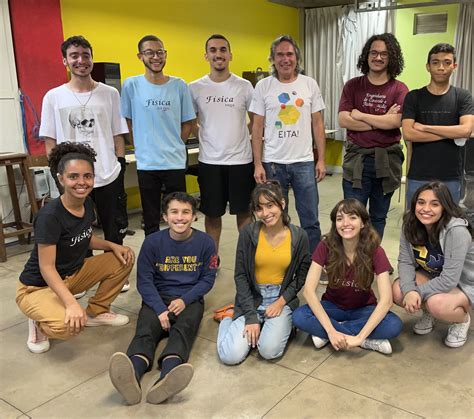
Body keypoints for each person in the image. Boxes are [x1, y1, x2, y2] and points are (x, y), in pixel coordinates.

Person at [16, 142, 135, 354]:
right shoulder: (49, 216)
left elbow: (83, 238)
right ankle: (38, 321)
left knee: (123, 257)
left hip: (71, 277)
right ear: (61, 179)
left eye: (87, 176)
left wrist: (112, 245)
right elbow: (46, 267)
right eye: (73, 176)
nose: (82, 182)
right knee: (68, 327)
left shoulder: (87, 203)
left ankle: (96, 312)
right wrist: (71, 304)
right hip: (37, 287)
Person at [109, 192, 218, 405]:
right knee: (145, 332)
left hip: (189, 299)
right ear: (165, 217)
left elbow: (207, 280)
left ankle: (167, 377)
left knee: (183, 331)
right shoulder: (152, 243)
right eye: (174, 212)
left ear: (195, 216)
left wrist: (185, 300)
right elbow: (145, 281)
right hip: (157, 298)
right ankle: (132, 376)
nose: (180, 217)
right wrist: (159, 309)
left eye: (186, 212)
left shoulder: (206, 243)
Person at [39, 35, 129, 255]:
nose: (81, 60)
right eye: (74, 56)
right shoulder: (54, 97)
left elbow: (118, 134)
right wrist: (56, 171)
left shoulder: (110, 93)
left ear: (92, 58)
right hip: (72, 176)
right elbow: (50, 139)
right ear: (65, 61)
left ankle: (114, 271)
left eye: (85, 55)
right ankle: (82, 271)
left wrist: (120, 163)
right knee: (76, 228)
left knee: (114, 226)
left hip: (108, 172)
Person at [293, 199, 402, 355]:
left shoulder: (375, 250)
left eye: (352, 217)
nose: (345, 223)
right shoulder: (325, 246)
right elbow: (308, 292)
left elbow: (386, 300)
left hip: (364, 308)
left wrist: (359, 338)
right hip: (333, 306)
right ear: (334, 224)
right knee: (299, 316)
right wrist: (331, 331)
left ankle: (338, 335)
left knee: (393, 324)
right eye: (339, 218)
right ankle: (359, 338)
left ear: (363, 223)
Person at [217, 182, 311, 365]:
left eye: (270, 205)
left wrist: (281, 301)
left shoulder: (299, 236)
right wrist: (251, 317)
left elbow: (301, 275)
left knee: (269, 351)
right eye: (259, 208)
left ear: (282, 204)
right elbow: (241, 276)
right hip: (252, 297)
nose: (265, 213)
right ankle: (228, 321)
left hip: (280, 298)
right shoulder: (248, 233)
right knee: (230, 356)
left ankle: (279, 325)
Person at [250, 34, 326, 253]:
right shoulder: (264, 86)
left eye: (290, 54)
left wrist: (321, 159)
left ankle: (313, 263)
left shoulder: (309, 84)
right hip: (273, 163)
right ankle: (281, 259)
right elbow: (256, 127)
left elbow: (318, 125)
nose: (285, 59)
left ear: (297, 58)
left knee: (310, 218)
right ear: (273, 58)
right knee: (275, 218)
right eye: (280, 54)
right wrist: (257, 163)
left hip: (303, 163)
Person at [121, 35, 196, 236]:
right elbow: (126, 120)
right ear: (140, 56)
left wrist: (175, 142)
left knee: (178, 215)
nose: (156, 57)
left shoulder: (179, 85)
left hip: (175, 162)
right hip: (147, 163)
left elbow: (188, 121)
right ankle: (154, 256)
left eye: (160, 52)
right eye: (149, 52)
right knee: (151, 217)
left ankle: (179, 252)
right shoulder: (131, 85)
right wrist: (138, 144)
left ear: (165, 55)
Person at [189, 34, 254, 265]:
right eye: (213, 50)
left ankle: (246, 260)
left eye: (223, 49)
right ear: (206, 55)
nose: (219, 54)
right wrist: (205, 136)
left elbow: (255, 120)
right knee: (213, 214)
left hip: (241, 161)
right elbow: (190, 122)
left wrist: (242, 135)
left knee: (244, 214)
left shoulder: (244, 86)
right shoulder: (195, 87)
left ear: (230, 55)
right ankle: (212, 260)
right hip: (210, 162)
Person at [339, 33, 408, 240]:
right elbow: (344, 120)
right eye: (374, 53)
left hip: (387, 161)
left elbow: (396, 122)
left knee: (378, 217)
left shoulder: (399, 89)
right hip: (357, 161)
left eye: (384, 54)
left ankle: (371, 260)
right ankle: (351, 263)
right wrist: (381, 120)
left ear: (391, 57)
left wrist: (360, 115)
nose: (378, 58)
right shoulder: (353, 85)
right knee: (351, 216)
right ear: (367, 56)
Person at [393, 181, 473, 348]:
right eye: (421, 202)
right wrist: (409, 291)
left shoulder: (456, 231)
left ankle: (462, 320)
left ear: (444, 207)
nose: (426, 209)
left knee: (436, 303)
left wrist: (415, 293)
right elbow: (406, 261)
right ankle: (428, 312)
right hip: (435, 274)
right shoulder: (410, 223)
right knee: (399, 290)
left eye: (434, 204)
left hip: (464, 283)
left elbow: (449, 280)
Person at [402, 43, 473, 205]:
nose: (441, 67)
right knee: (416, 225)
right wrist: (451, 132)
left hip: (451, 177)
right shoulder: (414, 97)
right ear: (428, 66)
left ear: (454, 66)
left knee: (448, 226)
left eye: (447, 62)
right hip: (418, 175)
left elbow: (466, 130)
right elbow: (409, 133)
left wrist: (425, 127)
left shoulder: (463, 96)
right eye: (435, 62)